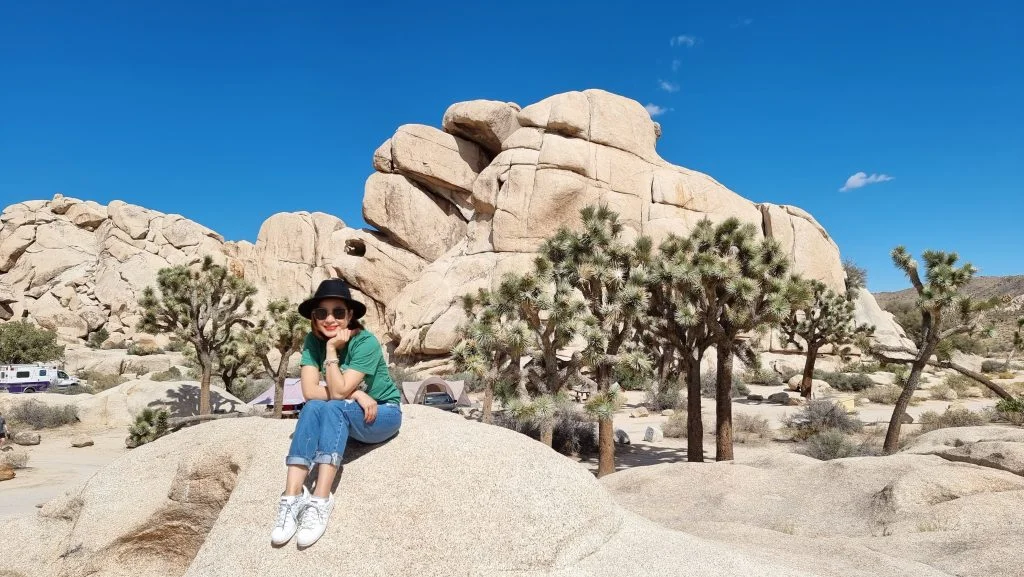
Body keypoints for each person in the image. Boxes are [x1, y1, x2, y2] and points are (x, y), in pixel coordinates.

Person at [270, 279, 402, 548]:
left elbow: (338, 392)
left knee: (333, 406)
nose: (330, 319)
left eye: (338, 312)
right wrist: (355, 394)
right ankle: (292, 496)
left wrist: (331, 352)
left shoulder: (365, 342)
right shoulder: (312, 341)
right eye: (322, 313)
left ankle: (321, 499)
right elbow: (309, 391)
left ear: (350, 315)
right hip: (350, 407)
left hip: (383, 412)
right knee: (313, 407)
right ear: (314, 317)